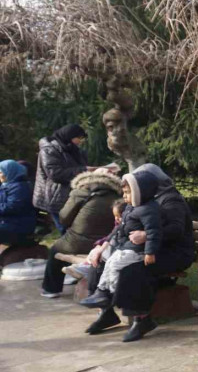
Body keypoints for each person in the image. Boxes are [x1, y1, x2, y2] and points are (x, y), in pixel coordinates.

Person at [84, 163, 198, 339]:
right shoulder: (139, 198)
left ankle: (141, 318)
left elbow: (176, 230)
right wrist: (103, 246)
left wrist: (145, 235)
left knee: (133, 269)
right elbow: (122, 226)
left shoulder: (170, 199)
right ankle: (105, 311)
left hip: (173, 251)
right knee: (99, 261)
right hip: (144, 247)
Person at [79, 172, 162, 321]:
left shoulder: (148, 209)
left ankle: (113, 294)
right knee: (108, 262)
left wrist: (150, 252)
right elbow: (118, 228)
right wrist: (105, 245)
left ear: (140, 192)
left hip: (136, 250)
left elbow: (153, 232)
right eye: (124, 192)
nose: (124, 196)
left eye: (128, 193)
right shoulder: (132, 207)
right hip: (125, 247)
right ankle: (101, 291)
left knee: (116, 264)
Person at [40, 169, 122, 298]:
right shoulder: (120, 196)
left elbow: (63, 218)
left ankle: (51, 289)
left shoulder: (81, 192)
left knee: (55, 250)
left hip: (77, 242)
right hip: (106, 245)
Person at [33, 124, 93, 233]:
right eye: (78, 138)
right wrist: (84, 170)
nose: (80, 141)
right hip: (55, 196)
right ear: (69, 136)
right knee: (66, 230)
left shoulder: (75, 150)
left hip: (73, 195)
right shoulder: (49, 150)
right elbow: (55, 174)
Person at [0, 160, 36, 246]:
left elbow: (13, 207)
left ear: (9, 172)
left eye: (1, 172)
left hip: (18, 226)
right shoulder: (7, 185)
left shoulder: (20, 187)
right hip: (7, 222)